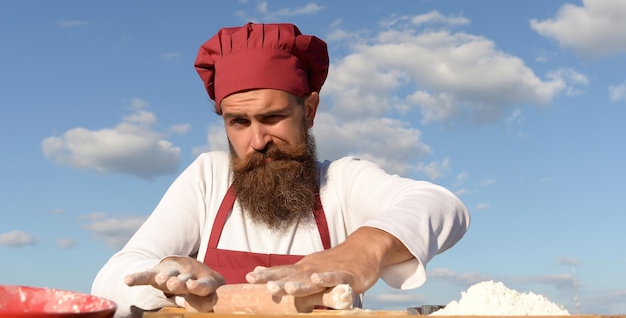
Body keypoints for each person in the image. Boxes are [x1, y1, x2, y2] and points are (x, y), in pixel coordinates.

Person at [91, 22, 470, 318]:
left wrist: (361, 251)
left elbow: (442, 205)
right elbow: (112, 279)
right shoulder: (208, 178)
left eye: (272, 118)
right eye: (238, 122)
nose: (257, 140)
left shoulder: (341, 183)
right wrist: (167, 277)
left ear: (309, 111)